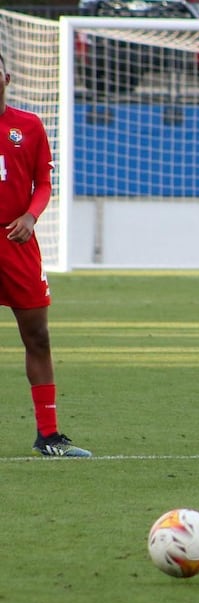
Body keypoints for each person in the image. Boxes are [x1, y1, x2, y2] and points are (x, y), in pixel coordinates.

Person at [0, 52, 92, 458]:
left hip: (17, 242)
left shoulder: (29, 125)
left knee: (37, 335)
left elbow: (43, 182)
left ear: (6, 77)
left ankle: (49, 435)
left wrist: (32, 216)